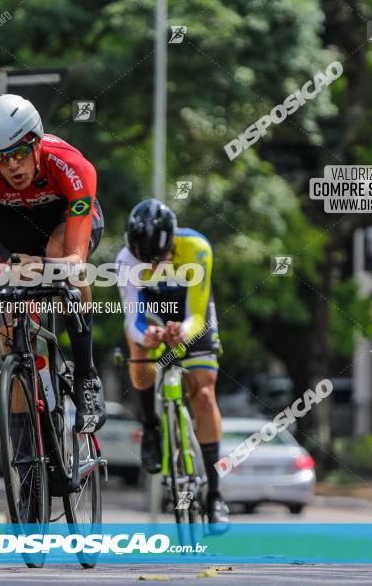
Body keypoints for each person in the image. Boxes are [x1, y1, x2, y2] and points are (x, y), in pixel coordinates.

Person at [0, 93, 105, 432]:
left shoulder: (72, 166)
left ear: (36, 141)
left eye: (20, 153)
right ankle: (25, 450)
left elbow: (74, 261)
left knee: (56, 255)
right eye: (0, 158)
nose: (11, 166)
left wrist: (41, 265)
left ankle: (86, 376)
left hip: (66, 224)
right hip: (15, 230)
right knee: (9, 331)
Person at [116, 198, 230, 524]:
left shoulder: (197, 248)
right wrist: (147, 335)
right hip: (150, 312)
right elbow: (133, 321)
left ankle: (215, 495)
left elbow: (197, 313)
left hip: (189, 313)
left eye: (159, 259)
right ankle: (151, 426)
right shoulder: (125, 260)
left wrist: (184, 331)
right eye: (145, 261)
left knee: (205, 395)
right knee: (138, 355)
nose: (152, 267)